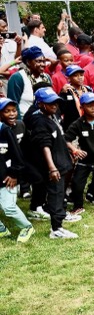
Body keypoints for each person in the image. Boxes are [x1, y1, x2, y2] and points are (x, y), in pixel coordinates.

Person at [23, 87, 81, 236]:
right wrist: (52, 168)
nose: (54, 105)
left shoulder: (50, 115)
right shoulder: (39, 121)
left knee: (58, 194)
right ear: (40, 104)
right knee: (56, 195)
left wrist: (69, 151)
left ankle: (58, 222)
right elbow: (45, 145)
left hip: (60, 161)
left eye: (56, 102)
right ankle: (56, 229)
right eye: (50, 103)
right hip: (54, 165)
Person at [0, 98, 35, 242]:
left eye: (13, 110)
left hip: (6, 176)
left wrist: (14, 174)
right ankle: (2, 229)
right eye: (6, 111)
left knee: (8, 207)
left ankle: (27, 227)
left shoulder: (4, 130)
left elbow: (18, 156)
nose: (11, 113)